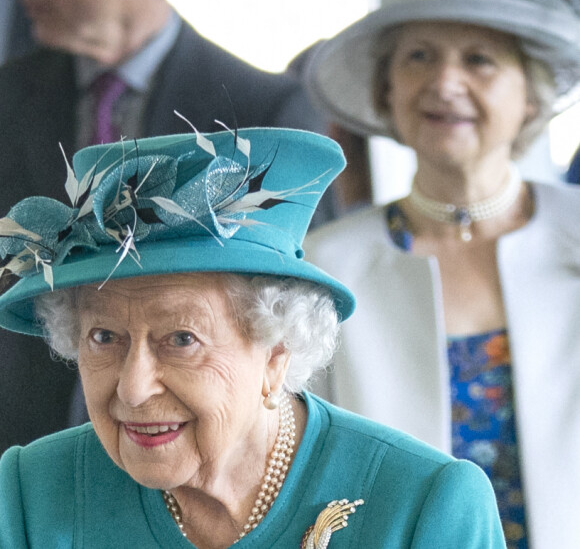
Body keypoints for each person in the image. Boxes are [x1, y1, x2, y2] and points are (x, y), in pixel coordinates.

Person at [0, 128, 504, 547]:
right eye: (104, 336)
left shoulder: (424, 506)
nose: (133, 389)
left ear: (276, 354)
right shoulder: (31, 494)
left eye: (181, 339)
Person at [304, 0, 580, 548]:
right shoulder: (326, 265)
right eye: (419, 57)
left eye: (479, 59)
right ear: (386, 91)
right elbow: (305, 460)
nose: (444, 82)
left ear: (530, 94)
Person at [0, 0, 328, 454]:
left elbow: (292, 302)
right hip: (18, 436)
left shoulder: (263, 107)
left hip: (195, 440)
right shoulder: (7, 96)